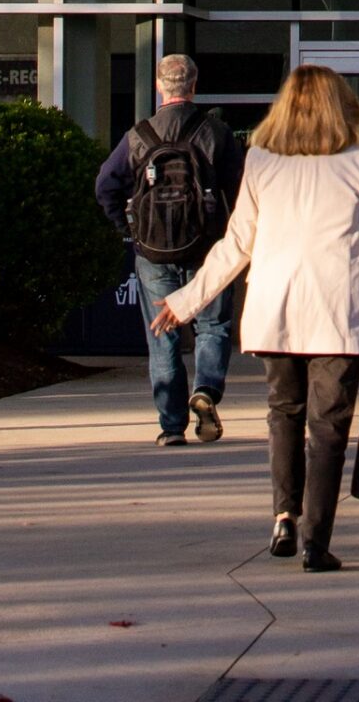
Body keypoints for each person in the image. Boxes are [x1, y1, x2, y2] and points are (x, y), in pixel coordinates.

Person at [153, 63, 359, 574]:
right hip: (339, 313)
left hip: (276, 310)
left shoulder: (262, 162)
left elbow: (237, 245)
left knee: (284, 415)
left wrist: (186, 300)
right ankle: (317, 541)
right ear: (339, 106)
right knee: (329, 427)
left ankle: (283, 515)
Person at [96, 52, 243, 447]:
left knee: (162, 335)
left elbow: (105, 186)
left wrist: (130, 228)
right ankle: (207, 391)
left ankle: (172, 426)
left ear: (160, 87)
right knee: (213, 326)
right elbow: (240, 191)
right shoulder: (216, 133)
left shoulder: (138, 135)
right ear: (194, 86)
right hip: (207, 249)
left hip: (153, 252)